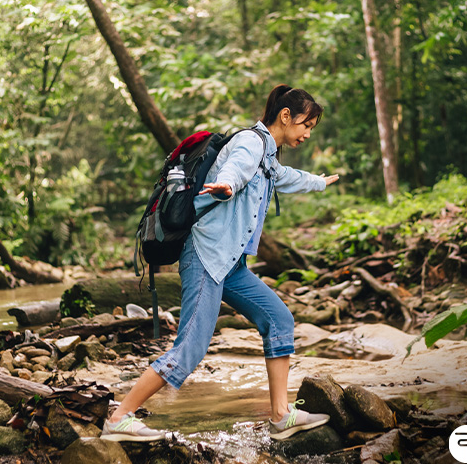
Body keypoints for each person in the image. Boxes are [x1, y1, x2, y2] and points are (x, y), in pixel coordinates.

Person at [101, 84, 340, 442]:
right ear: (286, 116)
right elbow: (236, 170)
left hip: (231, 265)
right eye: (306, 125)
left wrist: (319, 183)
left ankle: (279, 415)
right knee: (190, 349)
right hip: (206, 257)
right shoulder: (250, 143)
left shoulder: (268, 155)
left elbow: (283, 178)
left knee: (278, 319)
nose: (307, 133)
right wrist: (226, 184)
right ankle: (119, 417)